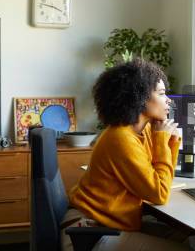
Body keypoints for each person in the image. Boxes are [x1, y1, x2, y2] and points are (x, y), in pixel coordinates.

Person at [62, 59, 188, 250]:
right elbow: (159, 193)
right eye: (162, 94)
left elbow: (158, 175)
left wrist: (170, 140)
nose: (168, 100)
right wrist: (164, 140)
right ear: (140, 98)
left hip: (108, 223)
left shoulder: (140, 131)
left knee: (182, 236)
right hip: (88, 232)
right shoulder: (121, 138)